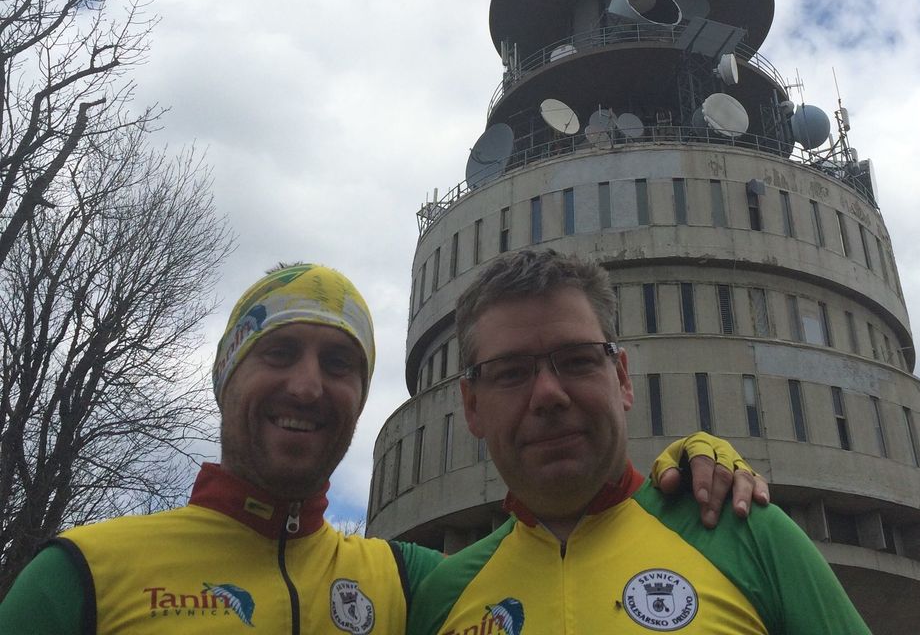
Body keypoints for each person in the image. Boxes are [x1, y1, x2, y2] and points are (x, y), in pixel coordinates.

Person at [0, 262, 765, 634]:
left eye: (339, 365)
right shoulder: (81, 574)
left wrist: (684, 463)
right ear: (225, 378)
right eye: (278, 353)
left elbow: (560, 551)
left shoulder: (412, 584)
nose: (307, 386)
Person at [407, 249, 871, 635]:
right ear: (472, 406)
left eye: (577, 360)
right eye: (510, 372)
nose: (548, 394)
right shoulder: (442, 597)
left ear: (623, 378)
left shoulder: (749, 537)